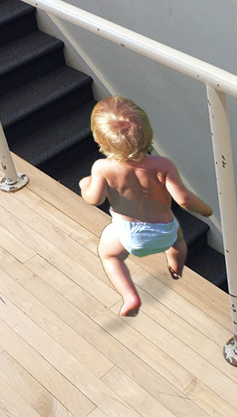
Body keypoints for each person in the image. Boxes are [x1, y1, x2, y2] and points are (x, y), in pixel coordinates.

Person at [79, 96, 213, 317]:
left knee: (109, 256)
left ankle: (129, 296)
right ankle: (176, 266)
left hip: (127, 234)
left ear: (100, 143)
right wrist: (205, 210)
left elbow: (94, 199)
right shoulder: (163, 165)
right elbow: (184, 199)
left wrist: (86, 185)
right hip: (164, 230)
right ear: (150, 135)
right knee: (178, 240)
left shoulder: (102, 168)